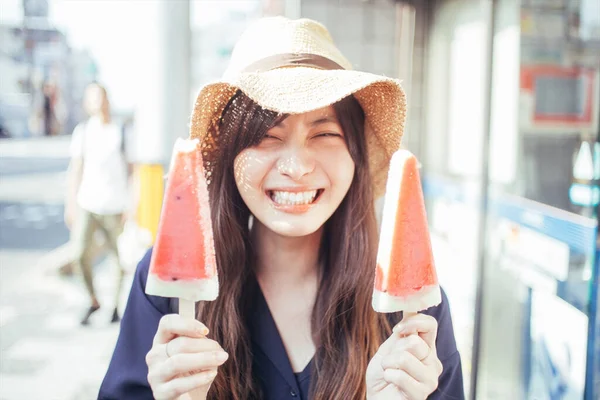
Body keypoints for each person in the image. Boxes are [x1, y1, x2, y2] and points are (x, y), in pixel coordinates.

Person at [99, 17, 465, 399]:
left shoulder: (413, 316)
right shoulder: (166, 294)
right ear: (230, 156)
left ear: (355, 152)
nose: (297, 167)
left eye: (324, 134)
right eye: (266, 136)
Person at [64, 82, 134, 325]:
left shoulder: (120, 131)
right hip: (87, 202)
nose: (97, 102)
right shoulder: (82, 132)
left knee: (118, 258)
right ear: (87, 103)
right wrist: (70, 204)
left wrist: (131, 204)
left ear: (107, 100)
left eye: (100, 97)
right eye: (91, 98)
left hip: (116, 204)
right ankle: (92, 299)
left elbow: (131, 170)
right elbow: (76, 170)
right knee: (79, 253)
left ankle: (114, 306)